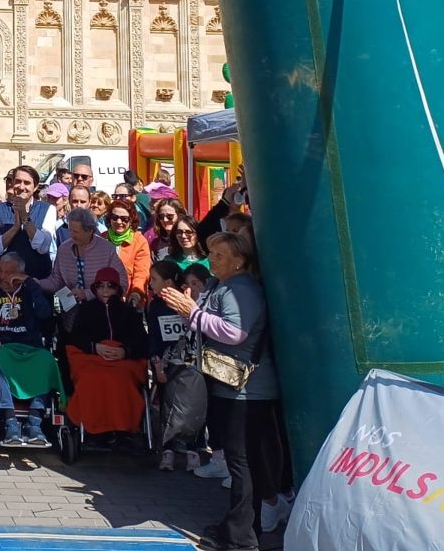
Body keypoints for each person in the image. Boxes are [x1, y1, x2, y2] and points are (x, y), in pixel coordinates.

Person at [159, 232, 288, 548]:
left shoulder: (240, 289)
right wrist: (191, 311)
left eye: (219, 255)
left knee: (242, 464)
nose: (211, 260)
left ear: (239, 260)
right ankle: (240, 526)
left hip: (246, 390)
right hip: (238, 388)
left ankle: (241, 537)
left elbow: (234, 332)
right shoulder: (226, 286)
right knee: (244, 463)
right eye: (212, 254)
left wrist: (193, 313)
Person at [0, 253, 62, 446]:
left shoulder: (30, 290)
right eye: (1, 271)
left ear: (21, 273)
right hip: (3, 348)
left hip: (30, 348)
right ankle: (10, 420)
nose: (3, 277)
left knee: (46, 360)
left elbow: (45, 314)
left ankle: (35, 422)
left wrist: (31, 285)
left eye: (10, 272)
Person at [65, 266, 149, 438]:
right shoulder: (86, 310)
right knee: (91, 379)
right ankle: (93, 427)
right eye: (100, 286)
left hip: (123, 360)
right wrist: (95, 347)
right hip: (93, 357)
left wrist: (125, 352)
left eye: (110, 286)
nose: (105, 291)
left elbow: (141, 340)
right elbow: (76, 337)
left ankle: (122, 428)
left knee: (121, 380)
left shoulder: (128, 312)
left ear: (117, 289)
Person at [145, 259, 201, 472]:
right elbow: (155, 338)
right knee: (167, 405)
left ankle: (192, 449)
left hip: (189, 361)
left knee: (192, 405)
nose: (150, 284)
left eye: (154, 280)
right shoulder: (155, 306)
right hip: (166, 362)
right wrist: (156, 364)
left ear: (168, 282)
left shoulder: (188, 302)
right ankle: (167, 451)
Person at [38, 207, 127, 303]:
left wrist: (87, 294)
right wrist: (36, 283)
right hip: (72, 310)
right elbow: (56, 282)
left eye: (76, 232)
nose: (71, 235)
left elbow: (121, 282)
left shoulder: (106, 249)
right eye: (70, 230)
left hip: (100, 308)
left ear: (89, 231)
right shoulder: (64, 249)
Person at [0, 166, 54, 278]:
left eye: (27, 183)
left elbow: (43, 247)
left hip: (37, 277)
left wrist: (25, 218)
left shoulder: (48, 209)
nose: (21, 186)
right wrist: (15, 228)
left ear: (35, 186)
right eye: (18, 181)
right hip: (7, 279)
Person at [105, 199, 152, 304]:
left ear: (131, 220)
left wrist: (136, 293)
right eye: (114, 218)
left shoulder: (139, 241)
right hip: (103, 297)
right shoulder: (102, 238)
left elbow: (141, 273)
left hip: (129, 299)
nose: (119, 222)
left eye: (124, 219)